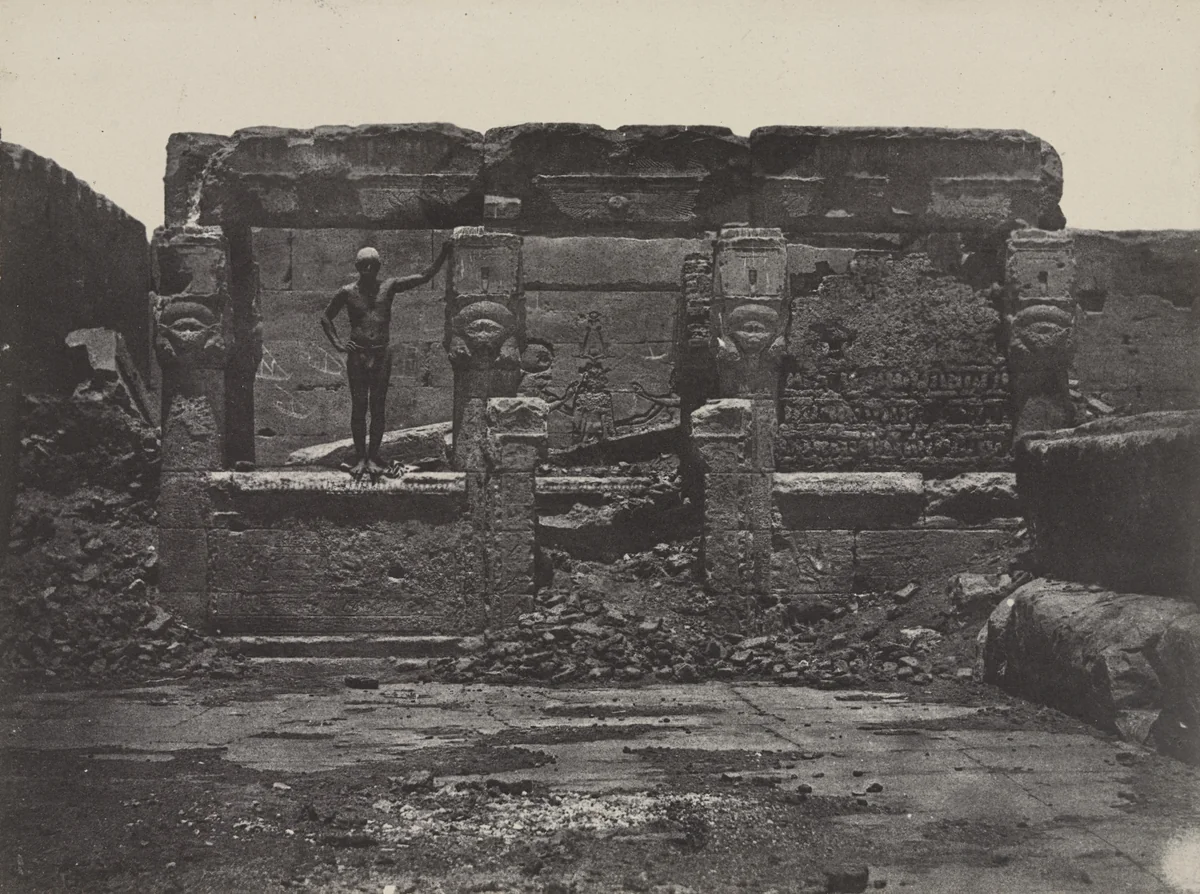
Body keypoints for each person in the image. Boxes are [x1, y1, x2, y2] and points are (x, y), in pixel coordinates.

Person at [320, 243, 451, 479]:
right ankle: (361, 458)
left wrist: (443, 253)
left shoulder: (388, 287)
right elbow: (326, 318)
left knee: (378, 407)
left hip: (381, 353)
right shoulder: (347, 292)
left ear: (379, 266)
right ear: (358, 267)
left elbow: (424, 276)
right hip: (358, 354)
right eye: (364, 265)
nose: (369, 268)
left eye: (373, 264)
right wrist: (339, 345)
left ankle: (374, 457)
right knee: (359, 407)